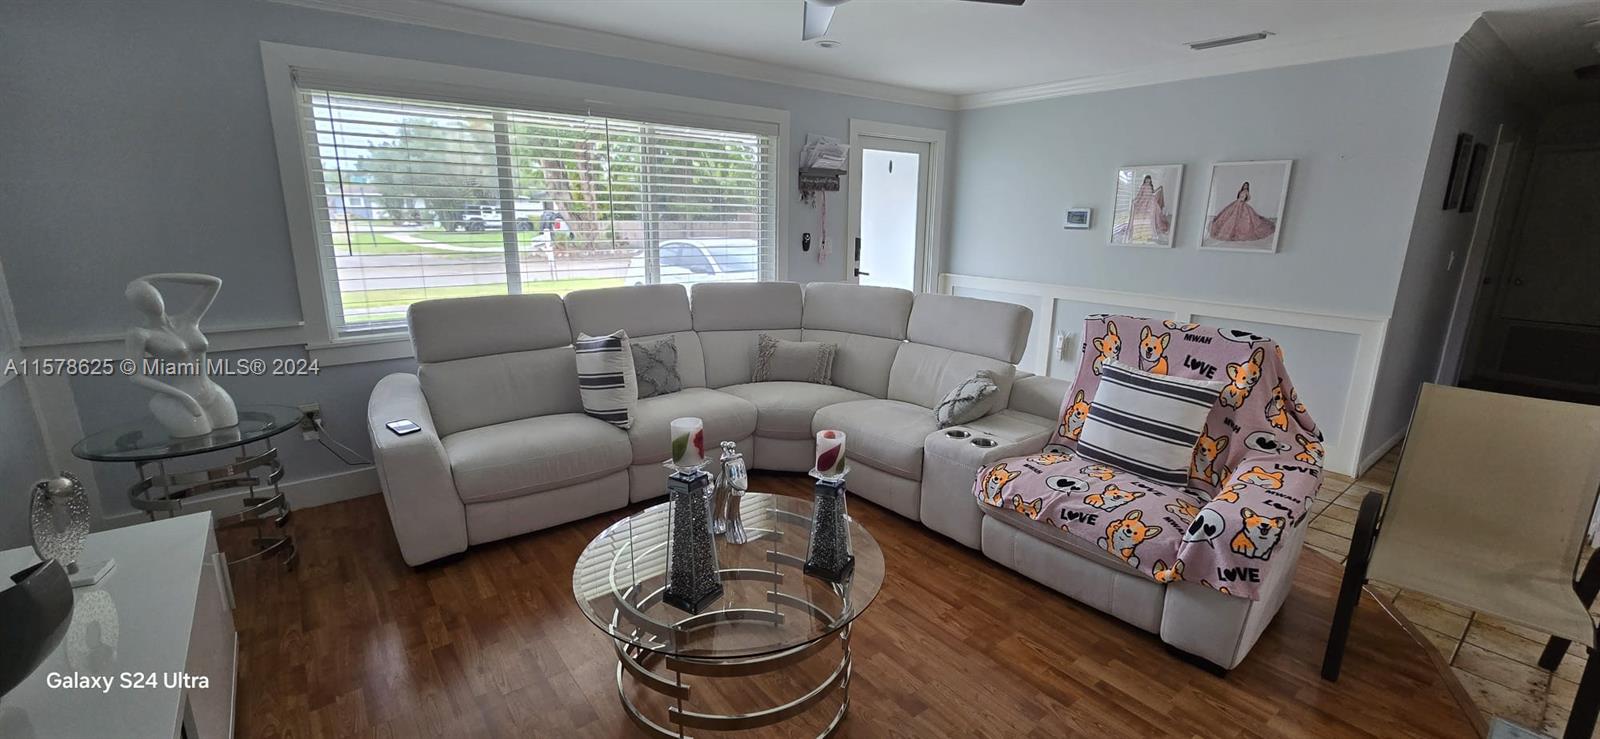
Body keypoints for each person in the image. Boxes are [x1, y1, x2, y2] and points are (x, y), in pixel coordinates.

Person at [124, 274, 238, 437]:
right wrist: (184, 398)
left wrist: (157, 277)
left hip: (214, 393)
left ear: (159, 294)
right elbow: (135, 376)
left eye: (152, 295)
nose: (151, 302)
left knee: (233, 438)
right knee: (199, 445)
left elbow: (214, 283)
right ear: (138, 306)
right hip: (182, 399)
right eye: (143, 300)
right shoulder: (140, 334)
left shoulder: (189, 319)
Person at [1208, 181, 1276, 242]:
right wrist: (1239, 200)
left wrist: (1244, 200)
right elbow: (1238, 197)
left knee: (1244, 217)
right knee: (1230, 214)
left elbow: (1248, 198)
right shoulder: (1240, 191)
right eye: (1244, 185)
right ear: (1243, 185)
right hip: (1236, 203)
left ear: (1248, 187)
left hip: (1242, 204)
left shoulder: (1247, 192)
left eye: (1246, 186)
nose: (1245, 186)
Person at [1128, 174, 1170, 243]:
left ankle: (1151, 227)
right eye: (1147, 179)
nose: (1148, 180)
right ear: (1145, 180)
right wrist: (1135, 200)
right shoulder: (1143, 186)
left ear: (1150, 180)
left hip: (1151, 201)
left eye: (1149, 179)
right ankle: (1142, 228)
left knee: (1154, 213)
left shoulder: (1151, 186)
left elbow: (1153, 192)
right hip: (1144, 201)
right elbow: (1139, 194)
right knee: (1143, 214)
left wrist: (1159, 188)